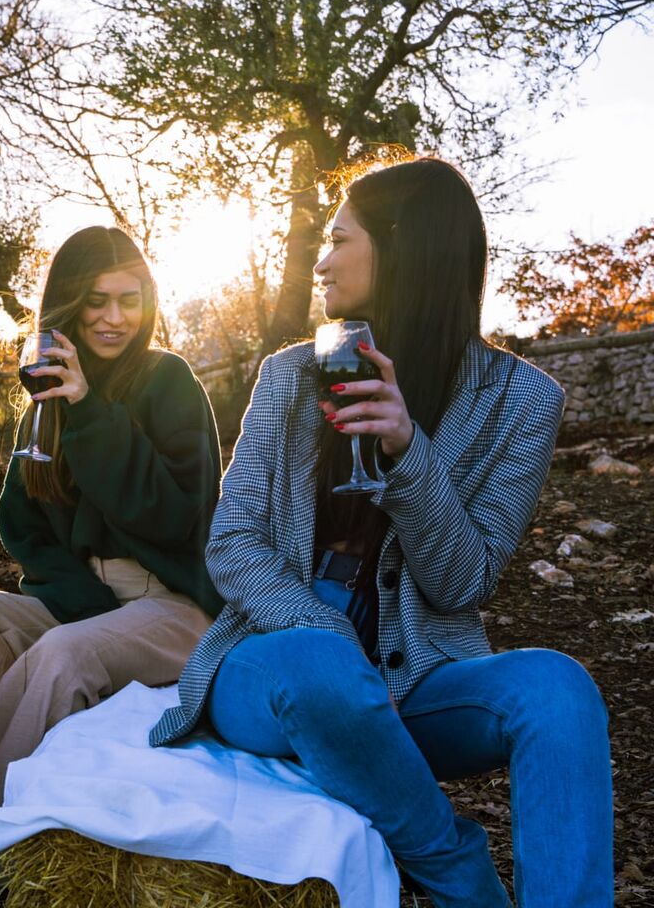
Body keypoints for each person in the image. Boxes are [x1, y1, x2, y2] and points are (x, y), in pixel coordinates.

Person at [150, 158, 612, 908]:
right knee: (316, 662)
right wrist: (335, 640)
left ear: (401, 249)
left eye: (340, 240)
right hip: (275, 667)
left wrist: (409, 453)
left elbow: (463, 583)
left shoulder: (522, 401)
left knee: (559, 691)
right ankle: (461, 874)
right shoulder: (289, 375)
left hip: (418, 676)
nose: (321, 262)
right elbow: (232, 542)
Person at [0, 225, 223, 897]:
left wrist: (91, 412)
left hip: (173, 604)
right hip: (81, 600)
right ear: (68, 303)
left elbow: (173, 517)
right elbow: (23, 527)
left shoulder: (168, 380)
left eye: (130, 299)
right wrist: (78, 600)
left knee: (63, 656)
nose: (115, 317)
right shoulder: (47, 400)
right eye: (97, 300)